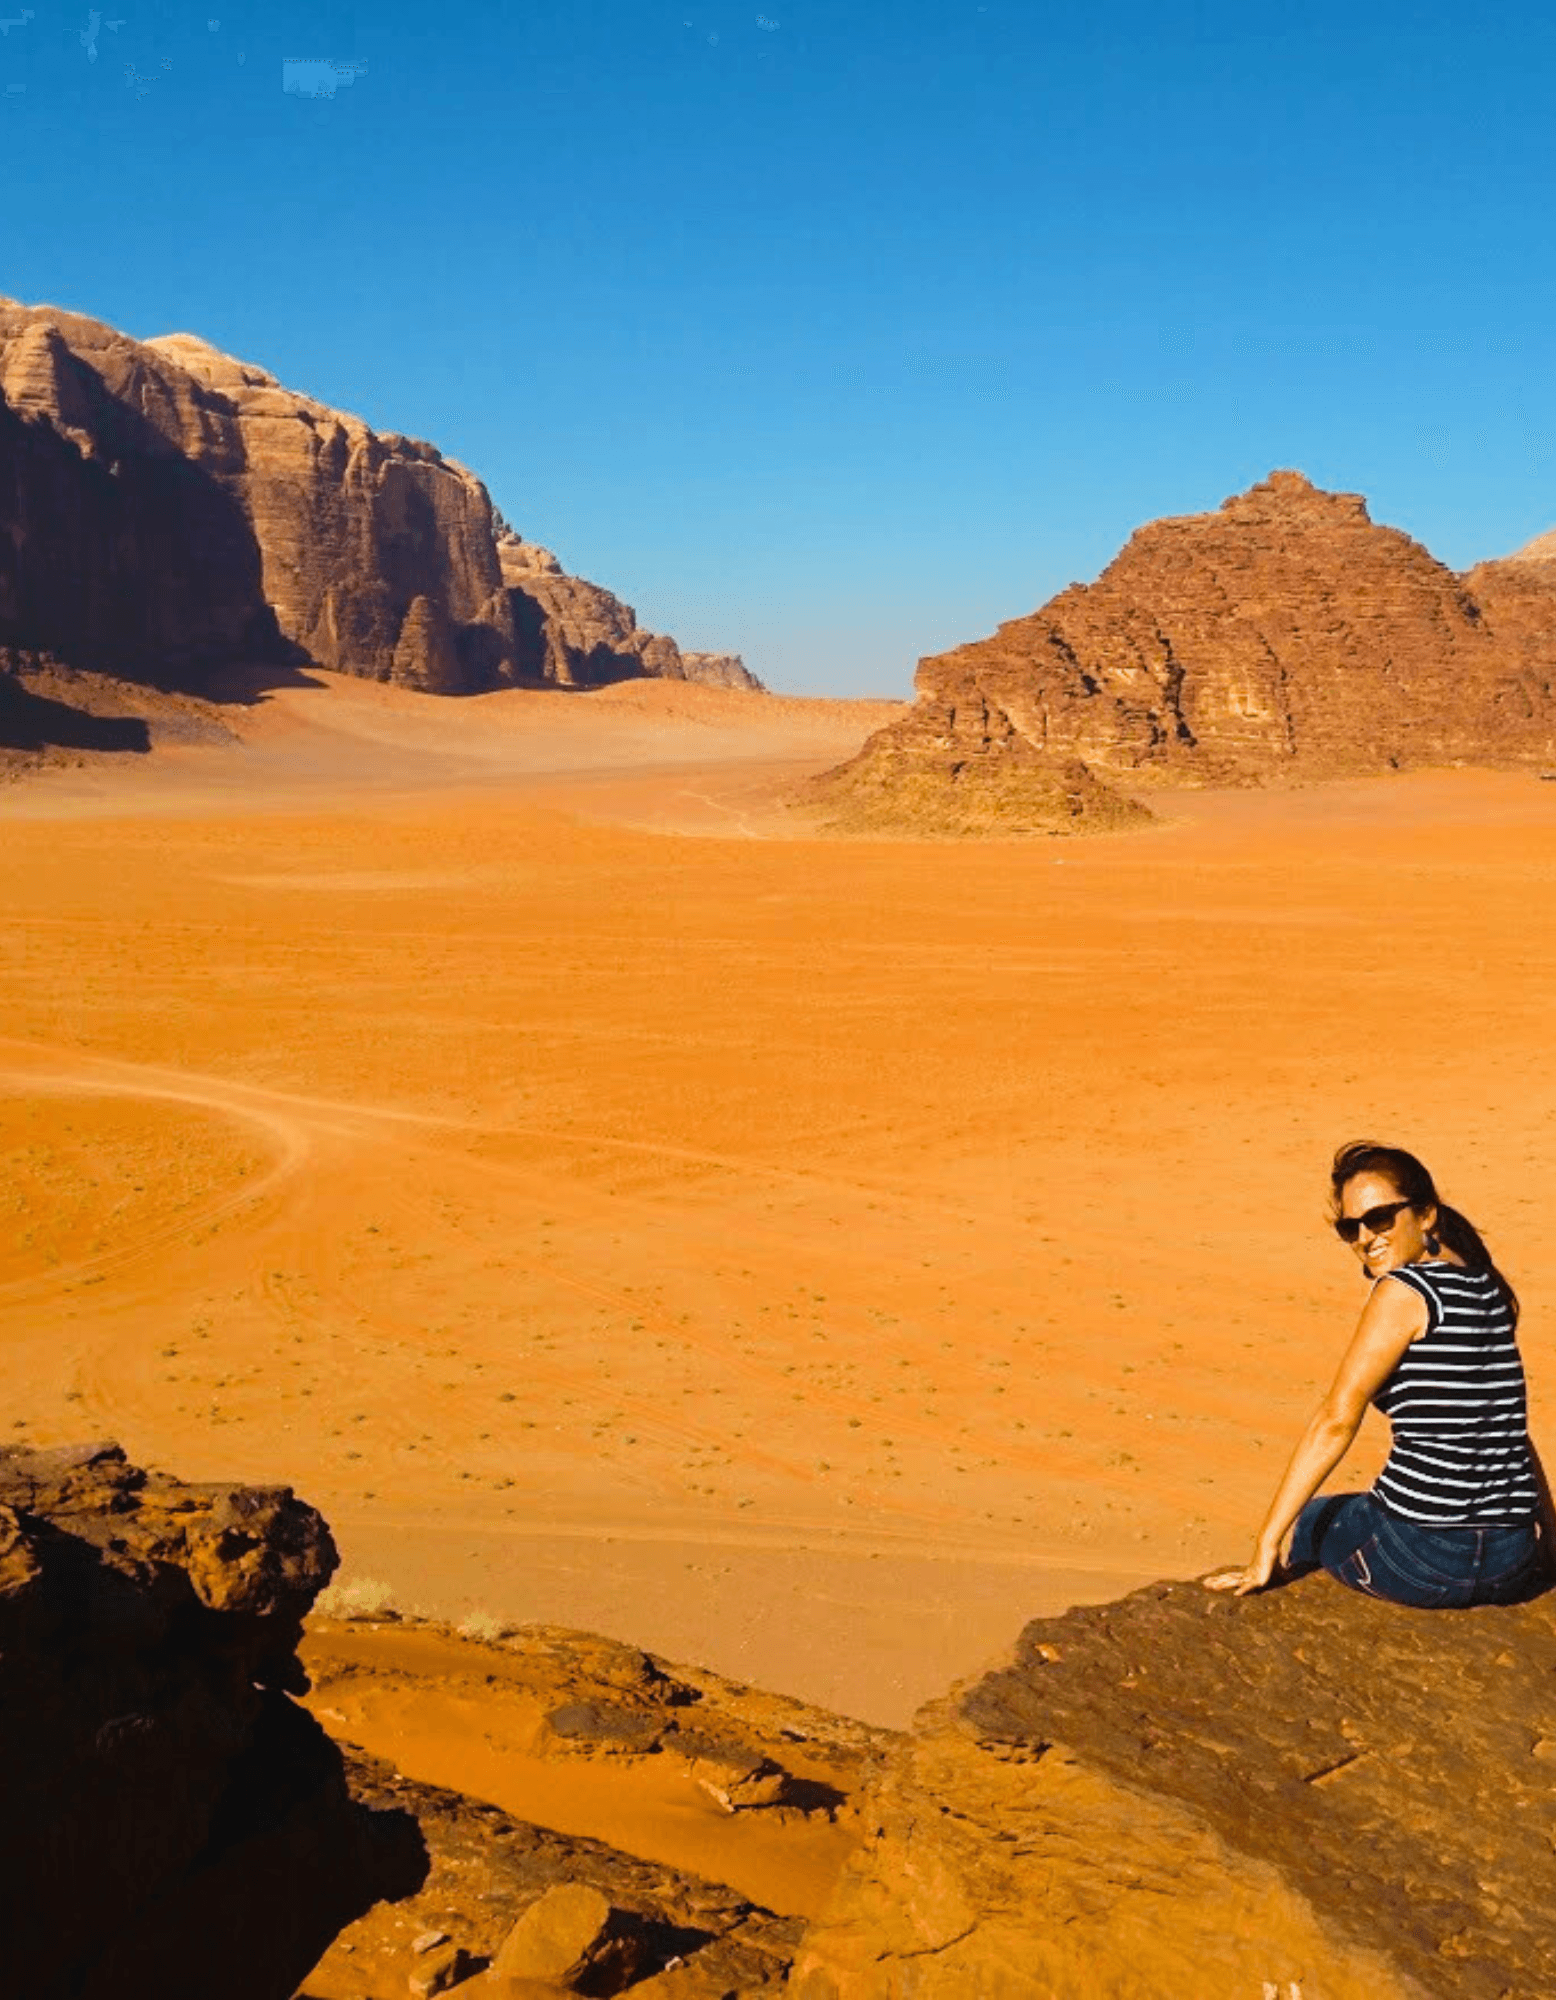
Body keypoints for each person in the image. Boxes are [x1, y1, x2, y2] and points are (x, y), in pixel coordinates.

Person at [1204, 1140, 1554, 1606]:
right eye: (1351, 1228)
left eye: (1380, 1218)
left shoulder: (1404, 1292)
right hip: (1510, 1558)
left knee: (1315, 1517)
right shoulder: (1488, 1287)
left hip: (1425, 1557)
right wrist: (1548, 1536)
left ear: (1426, 1215)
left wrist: (1265, 1545)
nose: (1366, 1237)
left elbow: (1336, 1420)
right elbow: (1507, 1426)